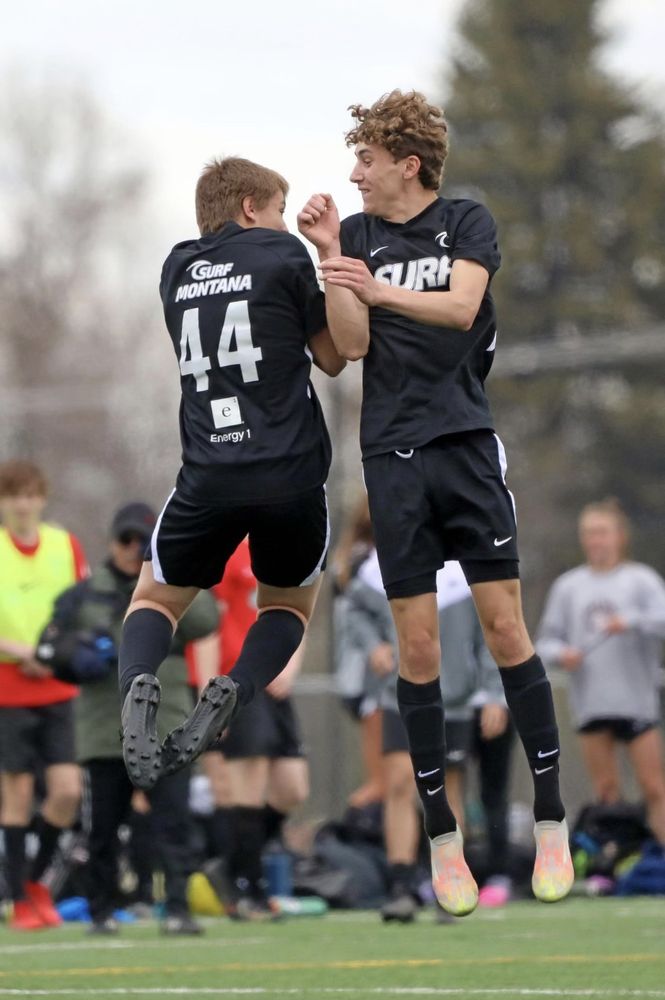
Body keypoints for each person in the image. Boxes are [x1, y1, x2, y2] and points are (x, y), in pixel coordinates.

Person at [298, 89, 573, 915]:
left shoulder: (466, 220)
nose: (355, 175)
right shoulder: (355, 235)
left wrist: (377, 289)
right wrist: (329, 259)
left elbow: (458, 311)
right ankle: (441, 840)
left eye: (367, 163)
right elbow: (345, 351)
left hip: (463, 448)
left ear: (405, 165)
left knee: (502, 629)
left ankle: (552, 818)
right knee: (414, 650)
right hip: (390, 459)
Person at [118, 157, 345, 792]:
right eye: (277, 209)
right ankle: (238, 689)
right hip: (290, 474)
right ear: (251, 207)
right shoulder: (284, 256)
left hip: (208, 472)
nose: (281, 221)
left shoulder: (175, 269)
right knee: (289, 609)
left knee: (155, 599)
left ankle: (140, 681)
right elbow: (331, 355)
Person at [39, 502, 220, 934]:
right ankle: (100, 909)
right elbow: (50, 645)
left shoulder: (176, 583)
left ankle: (176, 908)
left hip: (166, 725)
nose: (132, 549)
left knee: (174, 823)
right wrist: (73, 652)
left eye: (143, 541)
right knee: (102, 828)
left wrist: (171, 575)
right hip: (104, 729)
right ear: (111, 542)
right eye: (126, 540)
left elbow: (206, 620)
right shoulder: (84, 594)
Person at [536, 498, 665, 849]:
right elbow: (545, 642)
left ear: (619, 536)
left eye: (602, 532)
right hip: (591, 703)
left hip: (637, 703)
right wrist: (564, 654)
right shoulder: (569, 587)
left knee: (654, 787)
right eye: (589, 533)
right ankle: (613, 861)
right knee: (607, 792)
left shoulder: (641, 581)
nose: (595, 540)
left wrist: (632, 622)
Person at [197, 538, 310, 920]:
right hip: (239, 680)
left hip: (276, 684)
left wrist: (292, 665)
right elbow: (209, 627)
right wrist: (210, 699)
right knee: (250, 783)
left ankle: (229, 866)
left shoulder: (286, 540)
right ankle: (249, 889)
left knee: (292, 788)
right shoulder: (226, 548)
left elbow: (298, 613)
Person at [0, 460, 87, 931]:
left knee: (67, 791)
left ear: (43, 498)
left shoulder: (64, 545)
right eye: (13, 495)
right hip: (7, 688)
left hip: (56, 685)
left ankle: (35, 882)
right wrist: (19, 651)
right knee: (15, 797)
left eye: (31, 494)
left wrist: (55, 652)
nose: (22, 504)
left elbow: (80, 609)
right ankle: (18, 902)